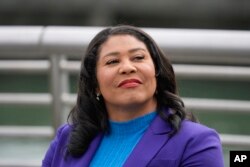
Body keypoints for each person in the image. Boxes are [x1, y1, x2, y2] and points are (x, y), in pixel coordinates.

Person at [42, 25, 224, 167]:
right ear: (95, 84)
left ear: (157, 72)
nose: (128, 67)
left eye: (138, 57)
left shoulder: (196, 142)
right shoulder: (67, 137)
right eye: (112, 61)